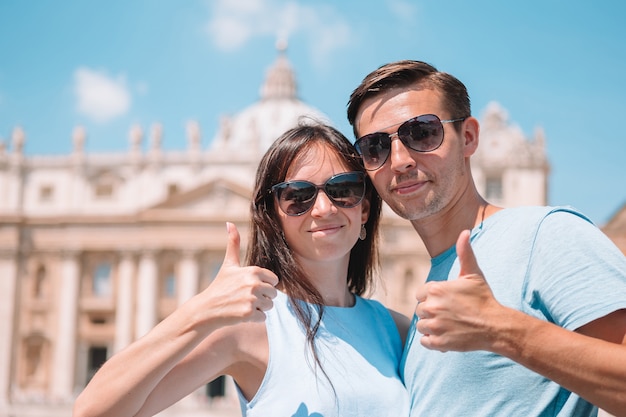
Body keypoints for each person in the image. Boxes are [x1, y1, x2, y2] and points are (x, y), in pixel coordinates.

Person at [346, 60, 626, 417]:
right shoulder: (430, 294)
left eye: (421, 133)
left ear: (468, 137)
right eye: (375, 147)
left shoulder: (546, 234)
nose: (399, 160)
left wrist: (499, 330)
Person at [72, 122, 410, 417]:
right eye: (298, 196)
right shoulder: (252, 327)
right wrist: (201, 311)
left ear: (364, 209)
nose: (323, 208)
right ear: (274, 218)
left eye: (343, 190)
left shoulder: (397, 331)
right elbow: (92, 412)